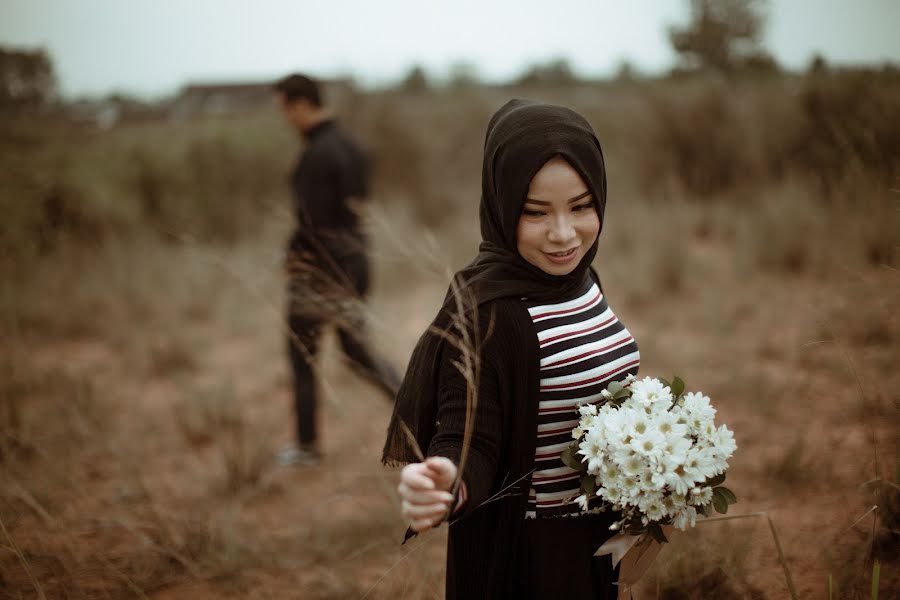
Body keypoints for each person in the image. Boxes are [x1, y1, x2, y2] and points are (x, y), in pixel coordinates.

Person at [383, 99, 641, 599]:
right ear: (502, 207)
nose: (564, 234)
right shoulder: (486, 316)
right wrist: (445, 483)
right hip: (532, 561)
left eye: (582, 206)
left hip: (598, 542)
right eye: (535, 213)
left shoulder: (583, 281)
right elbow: (471, 440)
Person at [274, 73, 400, 466]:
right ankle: (418, 412)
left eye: (284, 109)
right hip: (358, 261)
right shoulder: (354, 145)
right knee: (358, 352)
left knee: (301, 354)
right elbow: (354, 210)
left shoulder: (315, 155)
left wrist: (293, 259)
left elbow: (313, 223)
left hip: (320, 270)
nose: (285, 119)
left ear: (299, 105)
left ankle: (307, 448)